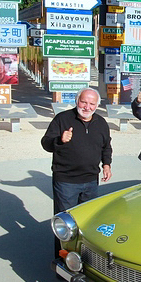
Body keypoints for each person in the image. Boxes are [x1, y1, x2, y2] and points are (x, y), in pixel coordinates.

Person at [41, 88, 112, 255]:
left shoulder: (101, 123)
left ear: (97, 105)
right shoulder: (62, 119)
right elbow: (45, 143)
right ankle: (63, 260)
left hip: (91, 181)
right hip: (66, 181)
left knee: (87, 222)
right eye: (84, 102)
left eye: (91, 103)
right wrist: (60, 139)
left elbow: (106, 147)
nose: (87, 107)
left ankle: (83, 259)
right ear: (77, 101)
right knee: (66, 224)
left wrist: (107, 165)